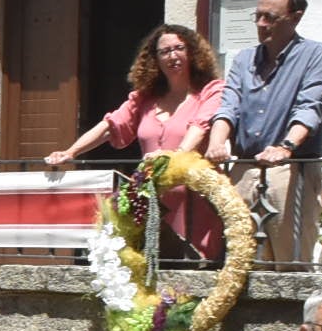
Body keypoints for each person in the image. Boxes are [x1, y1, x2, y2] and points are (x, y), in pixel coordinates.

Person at [42, 24, 231, 258]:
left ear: (192, 51)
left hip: (193, 204)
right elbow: (110, 126)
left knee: (191, 274)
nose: (173, 56)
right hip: (149, 202)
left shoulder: (211, 91)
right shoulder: (144, 98)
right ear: (155, 59)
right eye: (165, 51)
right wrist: (71, 151)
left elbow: (200, 126)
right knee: (147, 273)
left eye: (179, 48)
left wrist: (172, 156)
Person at [202, 0, 322, 268]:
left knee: (290, 264)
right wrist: (217, 143)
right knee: (244, 263)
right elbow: (229, 106)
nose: (262, 24)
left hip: (289, 169)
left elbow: (311, 107)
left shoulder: (316, 55)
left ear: (295, 18)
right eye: (258, 16)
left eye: (271, 18)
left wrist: (286, 147)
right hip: (244, 167)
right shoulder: (243, 59)